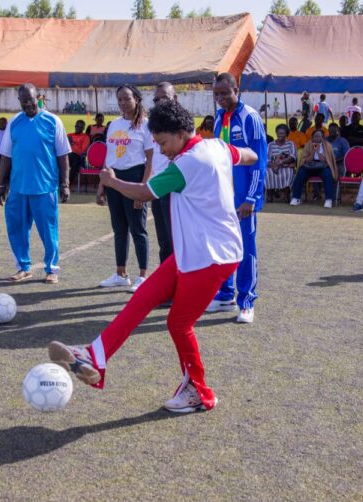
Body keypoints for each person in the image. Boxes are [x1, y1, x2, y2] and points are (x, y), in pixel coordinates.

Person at [47, 100, 257, 413]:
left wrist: (111, 181)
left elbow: (145, 192)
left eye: (163, 143)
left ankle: (200, 392)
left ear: (183, 132)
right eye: (156, 144)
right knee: (143, 296)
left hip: (211, 257)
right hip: (196, 250)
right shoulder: (216, 147)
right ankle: (95, 357)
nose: (162, 150)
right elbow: (249, 155)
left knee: (179, 323)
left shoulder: (187, 163)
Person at [208, 72, 267, 324]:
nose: (220, 98)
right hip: (223, 196)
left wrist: (251, 198)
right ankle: (224, 295)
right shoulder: (219, 117)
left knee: (245, 249)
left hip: (244, 198)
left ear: (236, 90)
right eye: (216, 94)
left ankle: (246, 302)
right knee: (223, 247)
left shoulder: (250, 118)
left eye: (225, 93)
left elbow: (260, 162)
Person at [0, 83, 70, 284]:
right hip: (18, 188)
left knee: (48, 230)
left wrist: (65, 183)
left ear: (39, 97)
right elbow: (6, 156)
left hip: (44, 187)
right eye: (24, 100)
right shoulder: (14, 123)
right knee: (17, 228)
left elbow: (63, 156)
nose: (28, 104)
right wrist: (1, 185)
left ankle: (51, 269)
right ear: (19, 101)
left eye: (31, 99)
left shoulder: (53, 121)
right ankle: (23, 267)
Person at [96, 84, 153, 292]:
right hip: (113, 179)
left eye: (127, 98)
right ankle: (121, 274)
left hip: (134, 178)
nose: (122, 102)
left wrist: (143, 189)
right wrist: (102, 185)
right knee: (119, 229)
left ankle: (142, 276)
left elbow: (150, 160)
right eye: (119, 99)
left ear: (136, 99)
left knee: (138, 229)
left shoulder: (145, 126)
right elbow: (108, 157)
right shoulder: (113, 125)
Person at [150, 82, 176, 266]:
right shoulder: (152, 124)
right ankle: (166, 285)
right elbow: (150, 157)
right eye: (156, 99)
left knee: (175, 239)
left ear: (175, 98)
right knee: (164, 241)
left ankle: (179, 284)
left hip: (174, 188)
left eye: (164, 98)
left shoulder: (179, 123)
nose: (159, 102)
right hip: (156, 187)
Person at [290, 129, 338, 208]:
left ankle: (328, 199)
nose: (317, 138)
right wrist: (313, 150)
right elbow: (306, 160)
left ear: (323, 138)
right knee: (300, 173)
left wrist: (318, 151)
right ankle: (296, 198)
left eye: (319, 136)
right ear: (312, 137)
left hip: (322, 166)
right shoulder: (308, 144)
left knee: (328, 174)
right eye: (315, 136)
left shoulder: (327, 145)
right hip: (309, 166)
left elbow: (326, 160)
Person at [266, 123, 297, 202]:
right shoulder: (270, 145)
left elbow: (293, 157)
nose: (280, 135)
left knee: (288, 172)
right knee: (267, 172)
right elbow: (266, 159)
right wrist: (273, 166)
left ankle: (285, 194)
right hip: (272, 166)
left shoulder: (291, 144)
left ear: (286, 134)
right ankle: (270, 194)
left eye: (282, 133)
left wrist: (281, 162)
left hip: (286, 166)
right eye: (278, 133)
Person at [67, 119, 90, 185]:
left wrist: (72, 143)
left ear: (83, 128)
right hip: (67, 155)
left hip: (78, 157)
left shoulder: (85, 137)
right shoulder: (69, 135)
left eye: (80, 127)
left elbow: (82, 152)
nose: (78, 128)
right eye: (77, 126)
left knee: (74, 160)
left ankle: (68, 182)